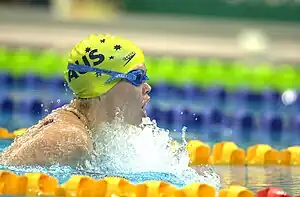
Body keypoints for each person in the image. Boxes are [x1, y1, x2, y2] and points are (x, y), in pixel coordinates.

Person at [0, 34, 152, 166]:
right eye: (138, 77)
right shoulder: (72, 140)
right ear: (101, 86)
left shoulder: (80, 129)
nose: (147, 87)